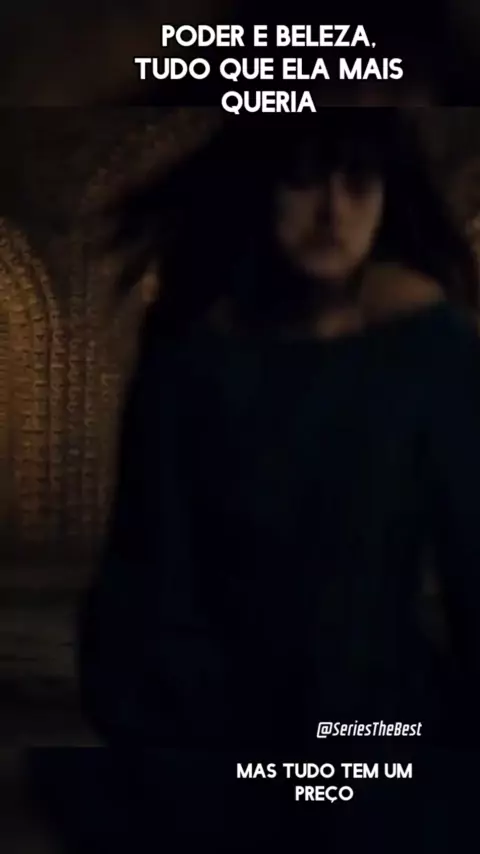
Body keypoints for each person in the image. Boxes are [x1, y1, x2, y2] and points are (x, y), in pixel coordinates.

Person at [77, 109, 480, 851]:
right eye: (304, 179)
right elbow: (146, 580)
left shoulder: (431, 350)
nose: (333, 211)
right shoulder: (191, 354)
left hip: (386, 739)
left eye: (358, 181)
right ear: (260, 186)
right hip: (216, 751)